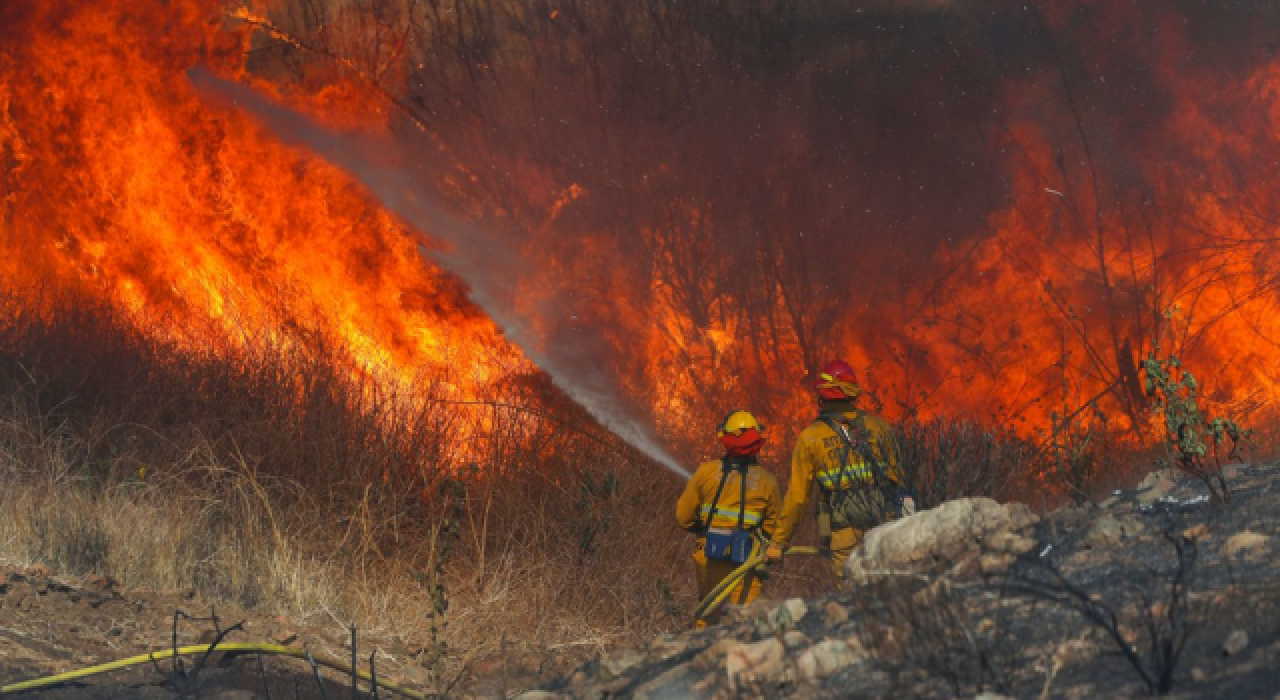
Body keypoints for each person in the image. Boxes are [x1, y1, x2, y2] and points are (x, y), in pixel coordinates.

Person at [767, 360, 913, 578]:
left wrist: (778, 542)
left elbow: (797, 499)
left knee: (851, 595)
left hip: (845, 536)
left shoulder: (811, 437)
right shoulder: (881, 428)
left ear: (822, 396)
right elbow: (899, 482)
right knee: (886, 593)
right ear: (853, 393)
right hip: (886, 530)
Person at [676, 410, 780, 627]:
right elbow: (774, 529)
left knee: (708, 615)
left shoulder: (705, 473)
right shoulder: (768, 482)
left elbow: (683, 517)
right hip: (748, 559)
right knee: (746, 620)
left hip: (709, 555)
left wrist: (706, 529)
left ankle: (701, 648)